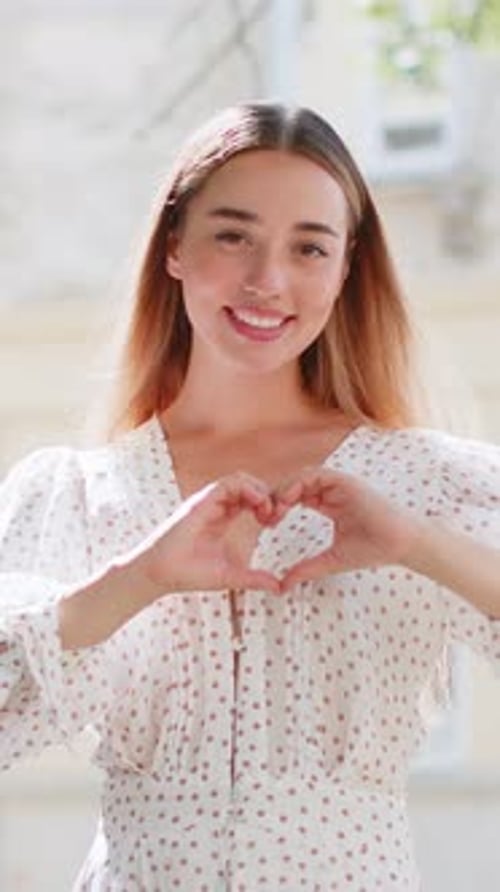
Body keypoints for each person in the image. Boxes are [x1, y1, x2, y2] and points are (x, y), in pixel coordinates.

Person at [1, 101, 500, 891]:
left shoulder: (427, 482)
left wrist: (417, 546)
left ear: (345, 269)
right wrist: (138, 579)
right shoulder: (76, 494)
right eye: (233, 235)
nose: (268, 281)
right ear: (174, 245)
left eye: (309, 247)